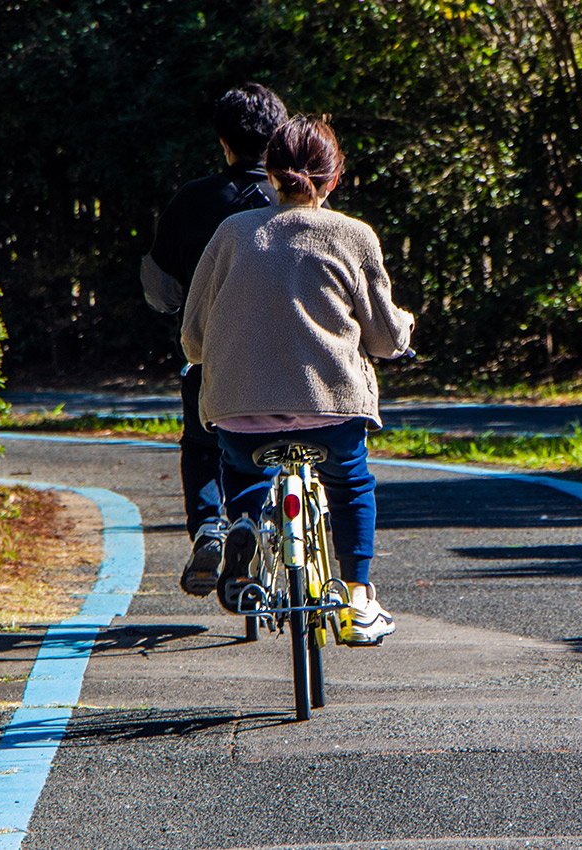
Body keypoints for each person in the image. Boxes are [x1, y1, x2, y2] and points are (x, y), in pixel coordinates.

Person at [180, 115, 415, 645]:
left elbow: (193, 335)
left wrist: (207, 354)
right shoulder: (353, 236)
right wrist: (404, 333)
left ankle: (242, 531)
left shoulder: (233, 234)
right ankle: (357, 596)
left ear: (269, 174)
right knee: (351, 484)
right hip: (331, 409)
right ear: (333, 179)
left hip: (241, 411)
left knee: (242, 473)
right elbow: (381, 336)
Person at [140, 83, 289, 597]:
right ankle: (258, 520)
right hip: (304, 366)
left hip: (215, 362)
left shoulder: (192, 200)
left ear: (224, 143)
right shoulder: (303, 202)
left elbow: (159, 290)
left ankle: (209, 524)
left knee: (204, 443)